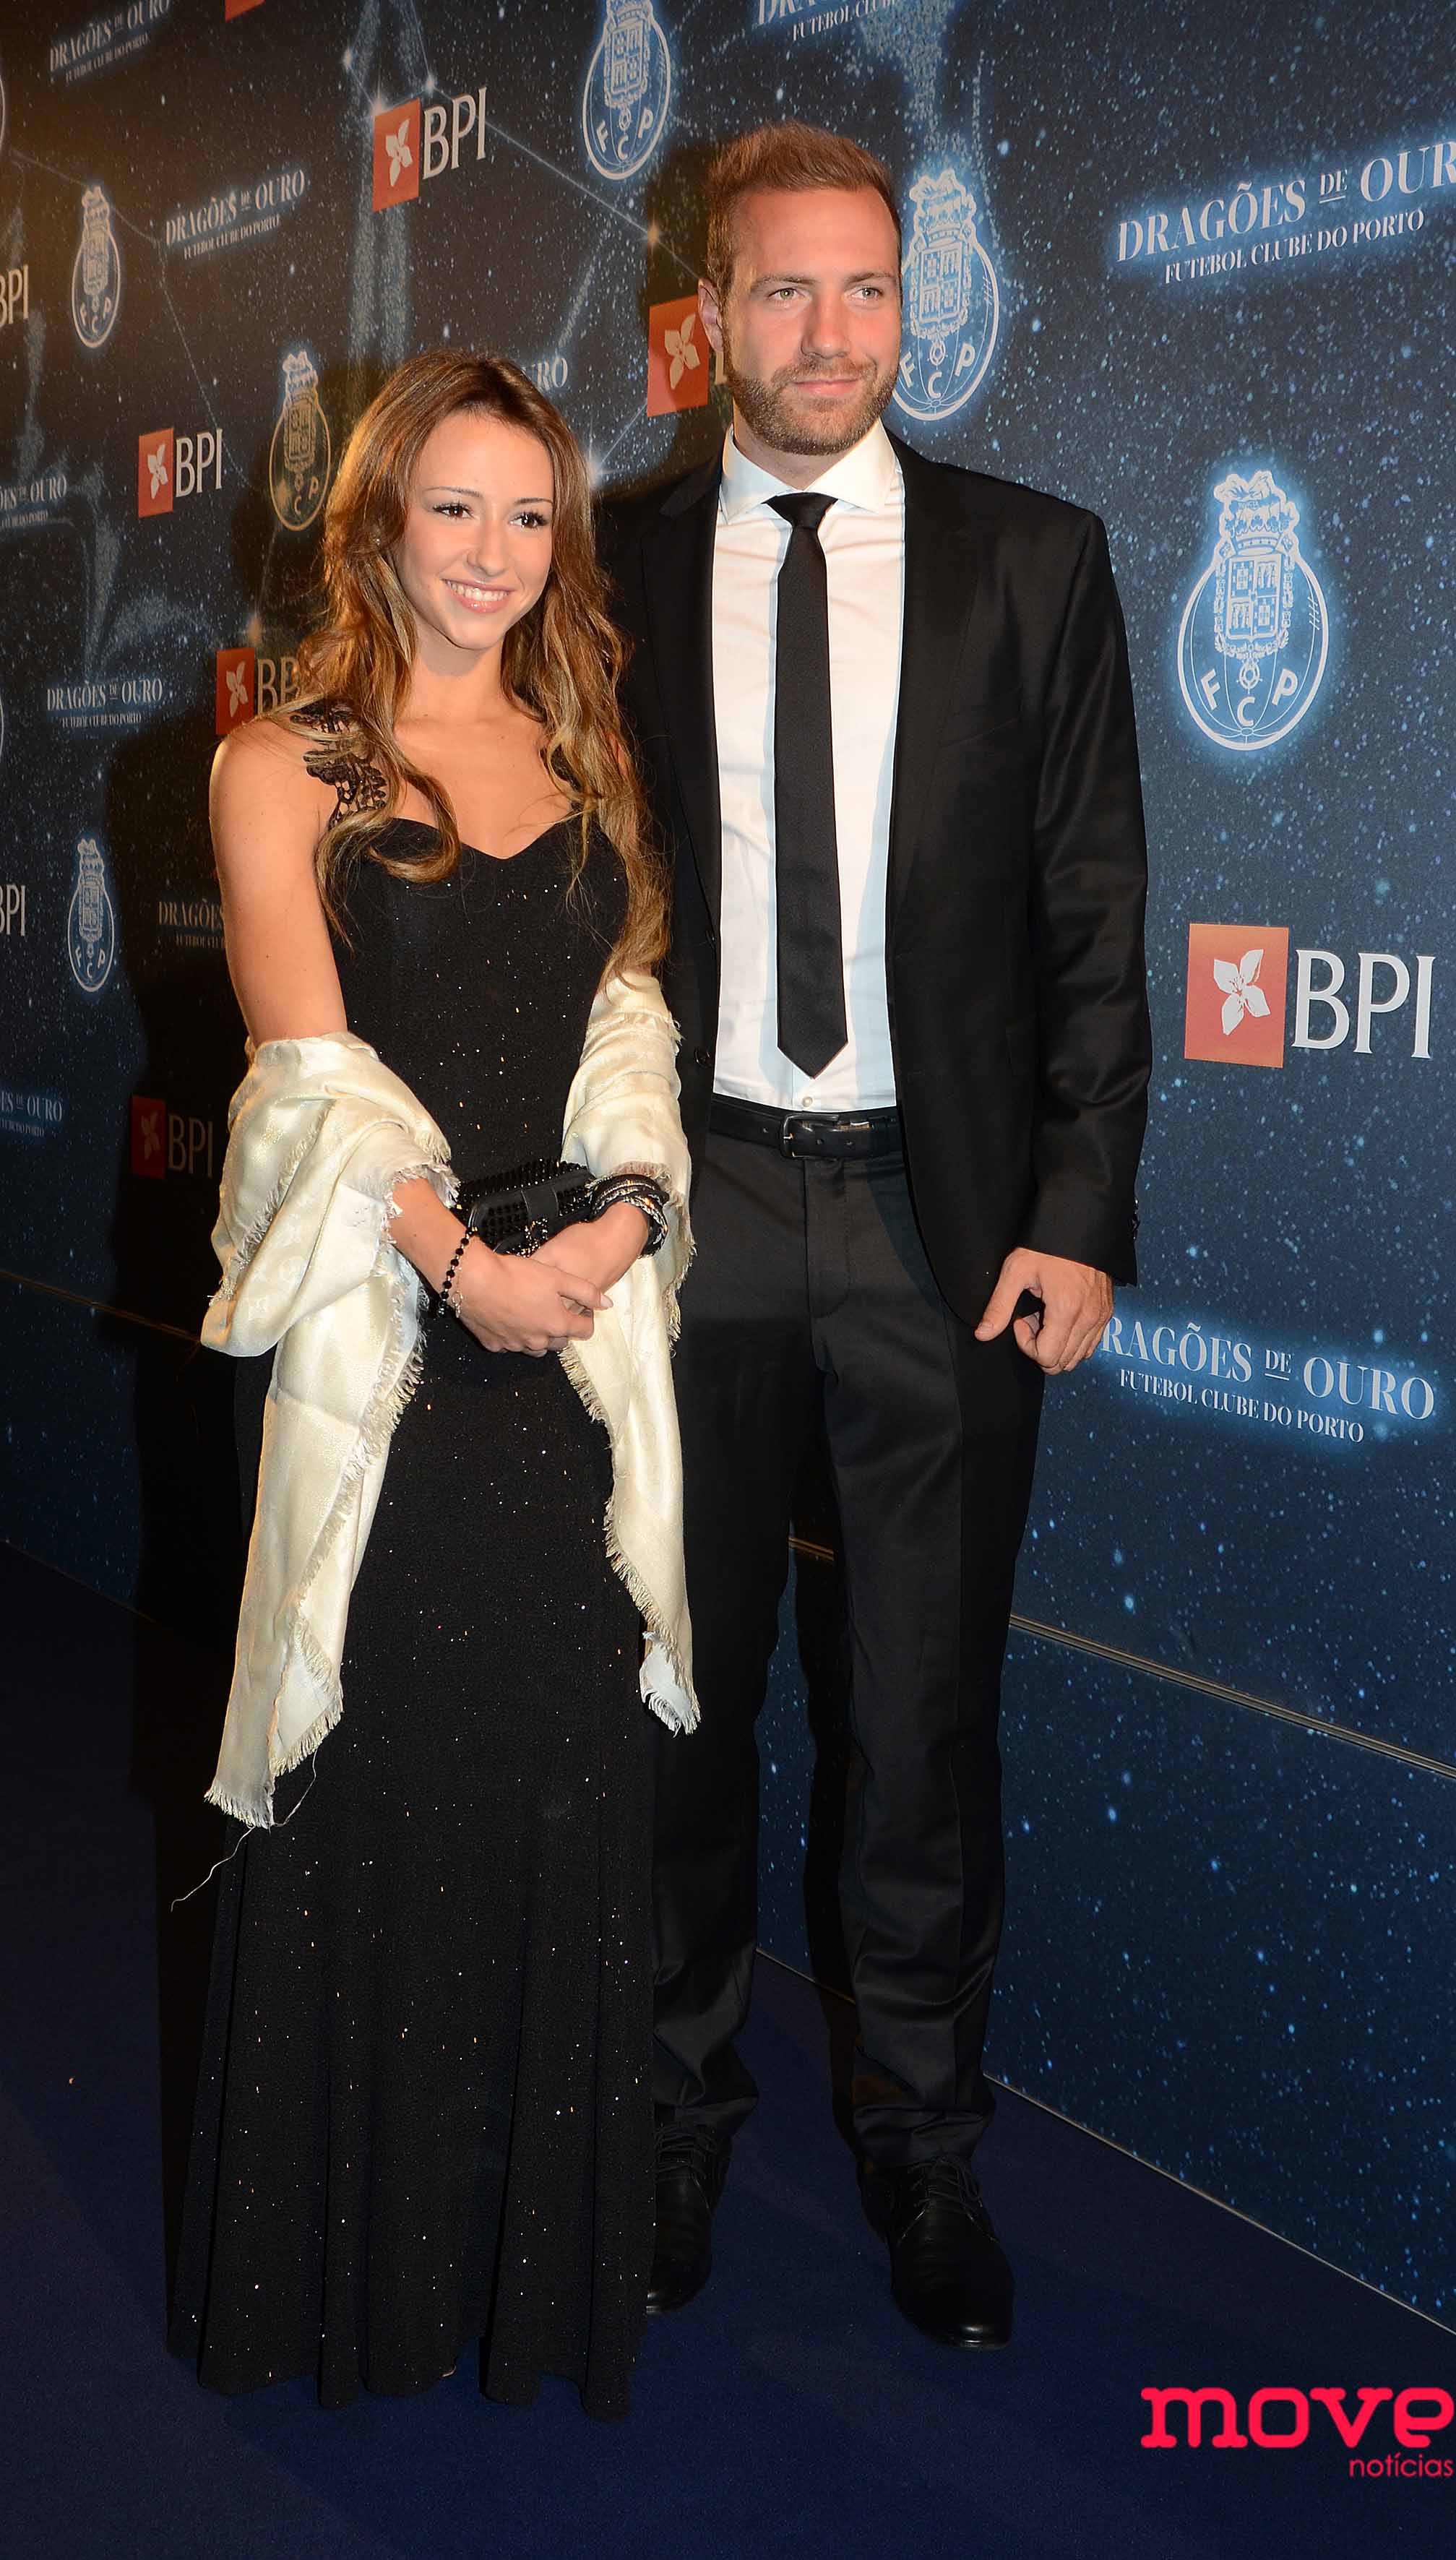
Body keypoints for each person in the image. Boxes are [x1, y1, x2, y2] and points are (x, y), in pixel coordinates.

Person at [600, 124, 1151, 2350]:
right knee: (678, 1699)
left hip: (943, 1225)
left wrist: (1079, 1207)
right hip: (693, 1209)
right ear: (703, 318)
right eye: (781, 290)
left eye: (866, 288)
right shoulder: (609, 571)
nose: (828, 334)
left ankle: (925, 2156)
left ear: (907, 304)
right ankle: (665, 2120)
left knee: (921, 1723)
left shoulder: (1036, 558)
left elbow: (1093, 909)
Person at [170, 350, 694, 2418]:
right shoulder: (280, 763)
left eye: (528, 514)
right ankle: (354, 2291)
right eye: (452, 507)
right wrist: (462, 1270)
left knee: (554, 1784)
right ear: (378, 518)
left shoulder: (587, 753)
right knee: (374, 1780)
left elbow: (626, 1028)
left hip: (562, 1356)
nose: (490, 553)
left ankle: (529, 2281)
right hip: (385, 1365)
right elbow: (306, 1083)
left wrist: (620, 1226)